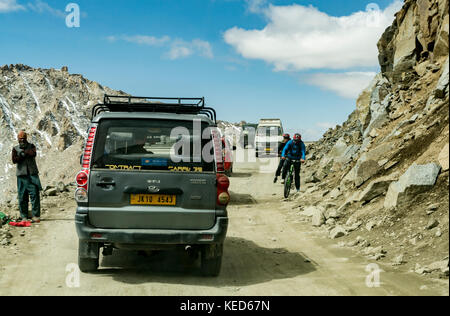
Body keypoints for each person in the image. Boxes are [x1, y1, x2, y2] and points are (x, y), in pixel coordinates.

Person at [11, 131, 42, 223]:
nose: (22, 140)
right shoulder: (15, 149)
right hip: (21, 176)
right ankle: (24, 216)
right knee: (22, 196)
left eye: (24, 138)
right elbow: (14, 160)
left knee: (35, 195)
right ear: (18, 139)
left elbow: (33, 153)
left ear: (26, 138)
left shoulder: (31, 146)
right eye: (21, 138)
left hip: (32, 175)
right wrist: (21, 155)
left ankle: (35, 215)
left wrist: (24, 153)